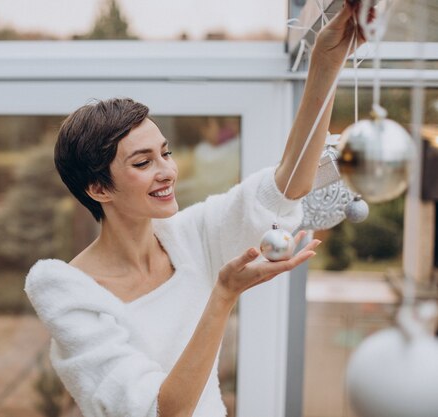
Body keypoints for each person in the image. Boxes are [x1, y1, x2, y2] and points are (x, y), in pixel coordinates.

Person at [25, 2, 365, 416]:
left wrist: (326, 64)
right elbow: (160, 411)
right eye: (143, 162)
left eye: (165, 153)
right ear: (98, 188)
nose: (167, 171)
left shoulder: (190, 237)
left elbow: (285, 187)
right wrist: (223, 295)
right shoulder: (70, 295)